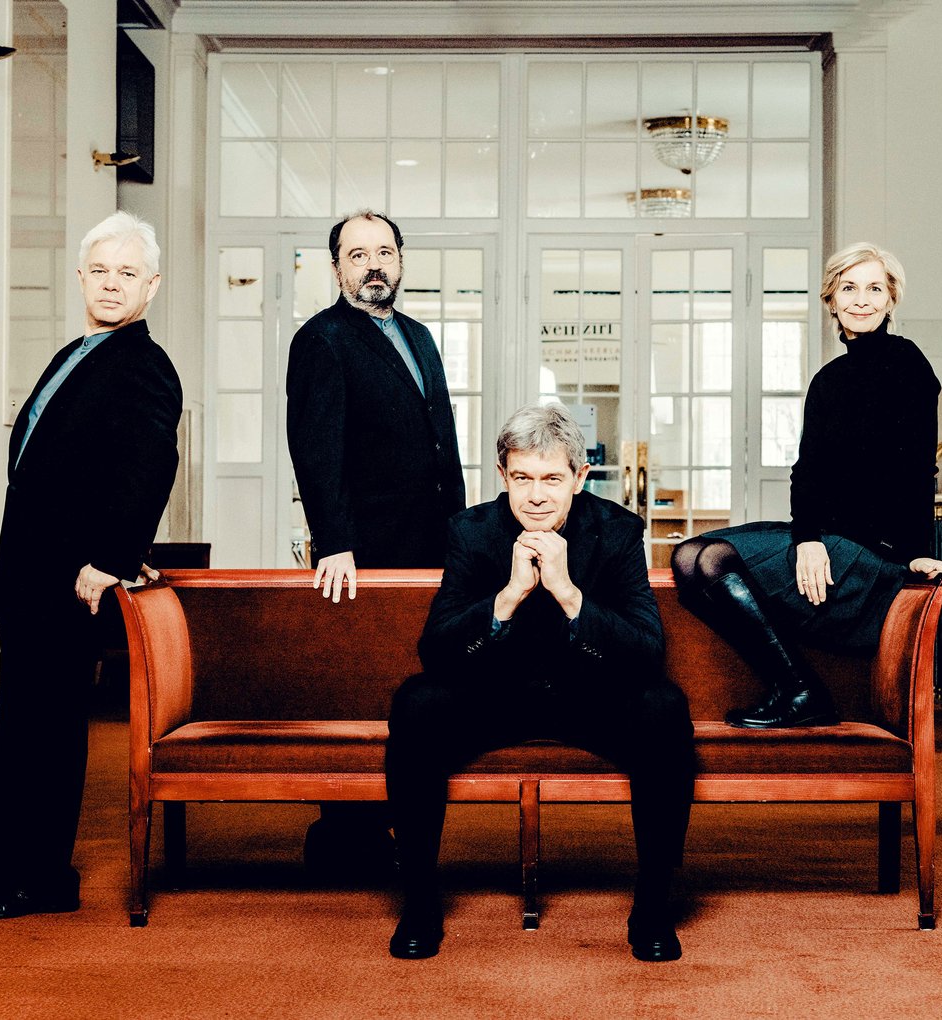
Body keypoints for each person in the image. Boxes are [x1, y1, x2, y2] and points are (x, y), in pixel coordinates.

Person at [0, 211, 182, 919]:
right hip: (31, 578)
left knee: (49, 731)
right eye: (101, 270)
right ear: (81, 276)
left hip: (72, 581)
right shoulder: (78, 352)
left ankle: (34, 878)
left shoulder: (144, 364)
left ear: (152, 285)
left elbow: (151, 466)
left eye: (128, 273)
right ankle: (13, 868)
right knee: (24, 730)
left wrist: (112, 559)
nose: (112, 283)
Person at [385, 404, 695, 962]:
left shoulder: (617, 531)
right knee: (416, 703)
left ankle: (653, 904)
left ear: (579, 477)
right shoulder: (471, 531)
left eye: (552, 478)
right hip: (496, 697)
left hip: (588, 697)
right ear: (503, 476)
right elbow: (436, 652)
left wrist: (569, 594)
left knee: (664, 707)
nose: (535, 496)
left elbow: (647, 653)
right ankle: (420, 902)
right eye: (522, 477)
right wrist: (507, 598)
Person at [671, 242, 942, 729]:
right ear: (831, 300)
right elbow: (808, 473)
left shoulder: (907, 364)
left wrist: (915, 553)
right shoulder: (829, 380)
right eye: (849, 288)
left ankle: (801, 691)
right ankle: (796, 687)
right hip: (828, 540)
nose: (861, 299)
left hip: (871, 558)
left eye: (874, 289)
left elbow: (917, 470)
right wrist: (808, 538)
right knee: (690, 557)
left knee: (710, 559)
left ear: (890, 299)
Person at [285, 210, 468, 868]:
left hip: (431, 543)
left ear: (400, 262)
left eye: (384, 252)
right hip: (361, 552)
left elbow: (443, 444)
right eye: (358, 255)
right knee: (363, 683)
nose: (373, 265)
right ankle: (344, 834)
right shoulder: (322, 339)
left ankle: (396, 820)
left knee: (416, 680)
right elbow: (316, 450)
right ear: (337, 268)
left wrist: (463, 533)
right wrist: (334, 541)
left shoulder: (419, 336)